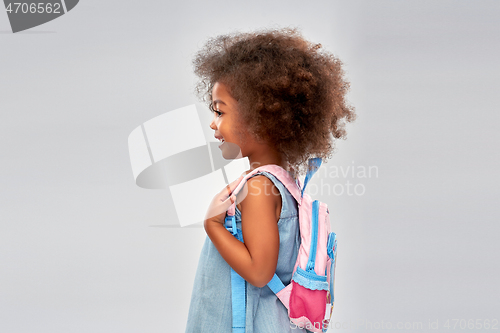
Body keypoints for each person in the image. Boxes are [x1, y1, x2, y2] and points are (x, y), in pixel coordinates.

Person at [185, 27, 356, 333]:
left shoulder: (259, 188)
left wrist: (212, 225)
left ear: (259, 118)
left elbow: (260, 271)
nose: (213, 123)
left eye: (220, 112)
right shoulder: (285, 183)